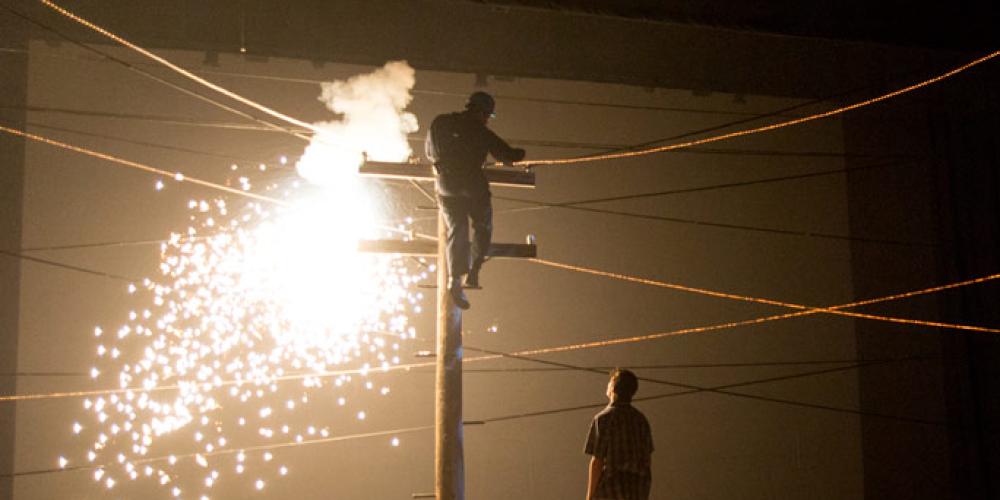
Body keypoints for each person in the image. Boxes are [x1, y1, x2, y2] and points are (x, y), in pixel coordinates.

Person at [424, 91, 525, 310]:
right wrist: (521, 154)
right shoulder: (481, 132)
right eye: (488, 115)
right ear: (482, 112)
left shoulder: (440, 122)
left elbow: (430, 153)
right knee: (482, 224)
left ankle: (454, 280)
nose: (488, 119)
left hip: (446, 184)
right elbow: (508, 155)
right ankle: (475, 269)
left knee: (456, 230)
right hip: (472, 185)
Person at [584, 368, 654, 500]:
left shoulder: (603, 419)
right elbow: (647, 461)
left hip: (611, 489)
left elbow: (597, 462)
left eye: (610, 381)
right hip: (636, 489)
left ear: (613, 388)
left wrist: (589, 497)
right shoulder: (641, 419)